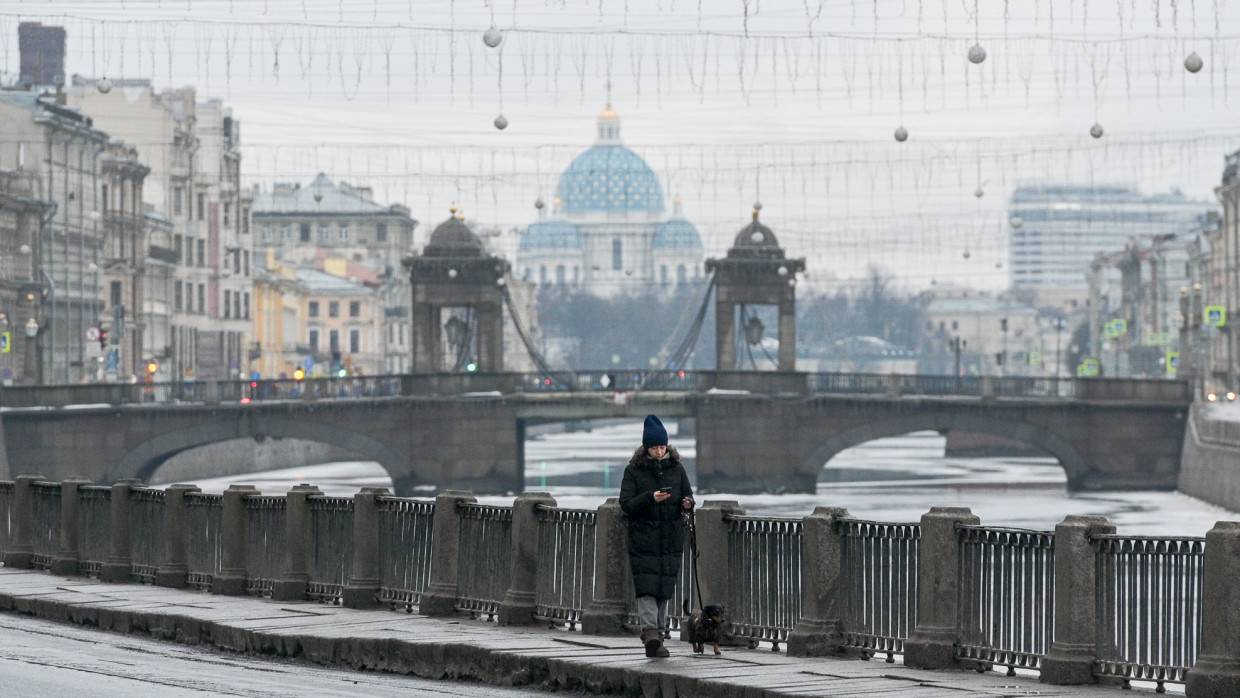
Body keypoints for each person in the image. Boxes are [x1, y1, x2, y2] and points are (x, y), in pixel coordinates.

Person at [618, 414, 694, 658]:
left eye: (662, 446)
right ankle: (651, 632)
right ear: (646, 448)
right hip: (644, 539)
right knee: (647, 588)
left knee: (663, 589)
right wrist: (650, 497)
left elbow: (689, 497)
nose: (659, 451)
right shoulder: (634, 471)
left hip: (670, 539)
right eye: (654, 447)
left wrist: (687, 503)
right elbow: (626, 504)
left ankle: (657, 636)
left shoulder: (677, 469)